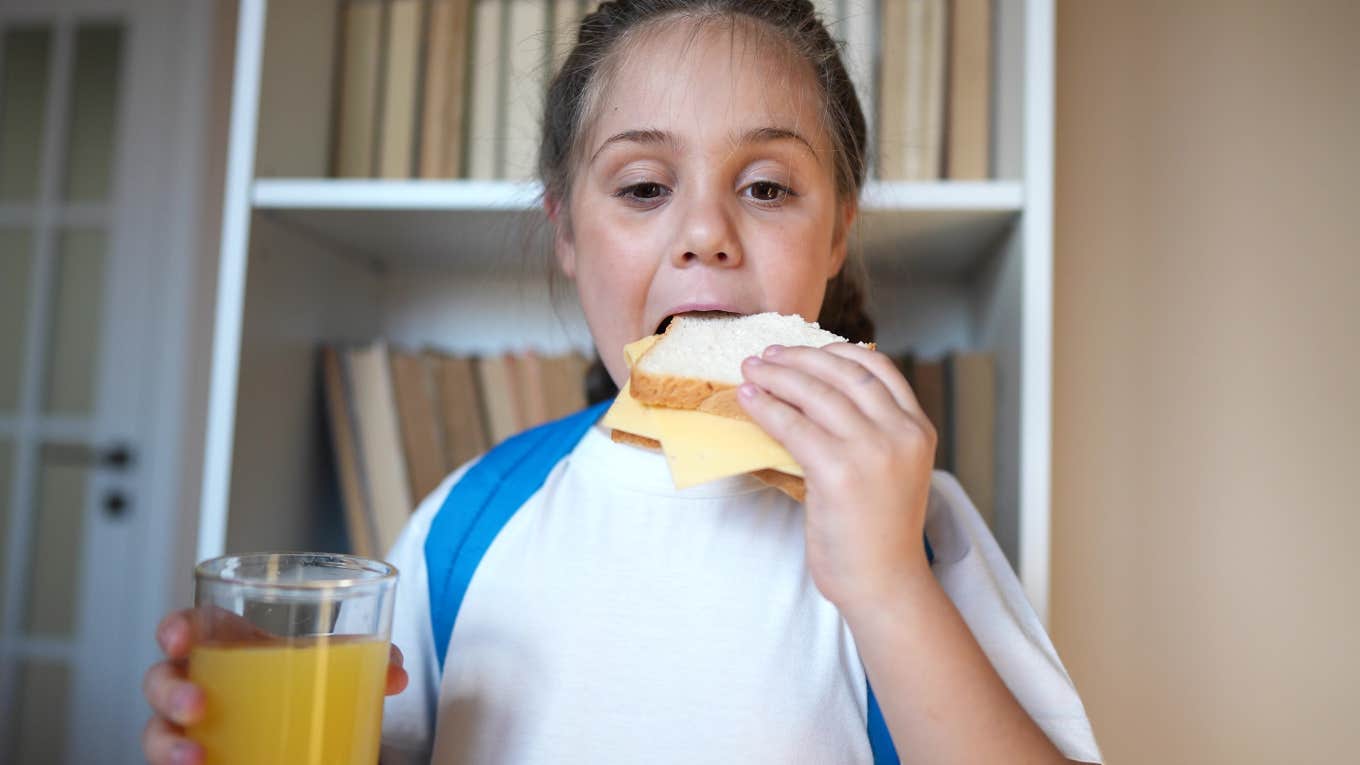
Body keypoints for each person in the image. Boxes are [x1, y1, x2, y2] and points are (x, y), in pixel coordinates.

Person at [143, 1, 1102, 763]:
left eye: (766, 187)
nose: (706, 232)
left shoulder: (914, 526)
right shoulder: (466, 519)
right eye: (644, 187)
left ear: (838, 229)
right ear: (565, 231)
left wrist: (890, 584)